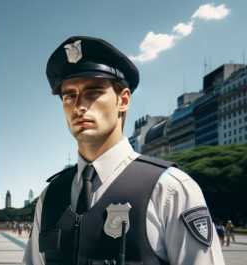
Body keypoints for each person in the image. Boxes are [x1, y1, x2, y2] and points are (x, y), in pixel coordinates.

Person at [22, 36, 225, 265]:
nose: (79, 106)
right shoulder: (50, 196)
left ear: (123, 100)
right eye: (69, 95)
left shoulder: (170, 189)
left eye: (93, 92)